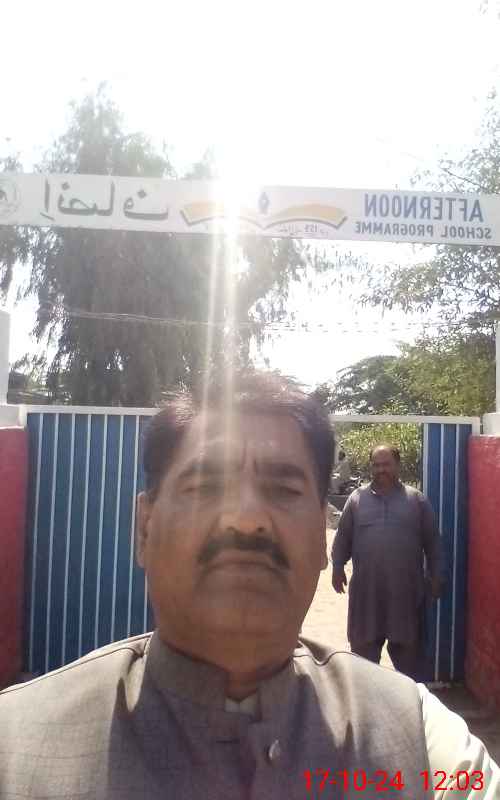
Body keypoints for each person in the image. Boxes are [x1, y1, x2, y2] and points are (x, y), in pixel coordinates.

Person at [0, 374, 498, 799]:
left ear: (316, 536)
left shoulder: (420, 739)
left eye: (283, 489)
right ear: (145, 529)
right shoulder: (14, 745)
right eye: (205, 486)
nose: (245, 519)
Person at [331, 443, 443, 681]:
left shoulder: (416, 501)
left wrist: (436, 575)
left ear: (398, 465)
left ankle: (409, 700)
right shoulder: (356, 499)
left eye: (386, 464)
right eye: (376, 465)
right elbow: (343, 537)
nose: (381, 469)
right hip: (366, 595)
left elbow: (433, 542)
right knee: (363, 661)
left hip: (405, 595)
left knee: (410, 662)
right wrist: (338, 566)